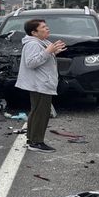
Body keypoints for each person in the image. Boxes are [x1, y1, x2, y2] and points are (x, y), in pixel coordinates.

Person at [15, 19, 65, 153]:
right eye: (43, 27)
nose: (47, 28)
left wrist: (53, 52)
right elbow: (31, 62)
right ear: (34, 32)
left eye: (46, 26)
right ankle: (36, 142)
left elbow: (43, 57)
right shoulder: (32, 44)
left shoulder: (41, 42)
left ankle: (32, 139)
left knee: (37, 112)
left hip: (42, 83)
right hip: (40, 84)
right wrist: (48, 52)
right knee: (41, 113)